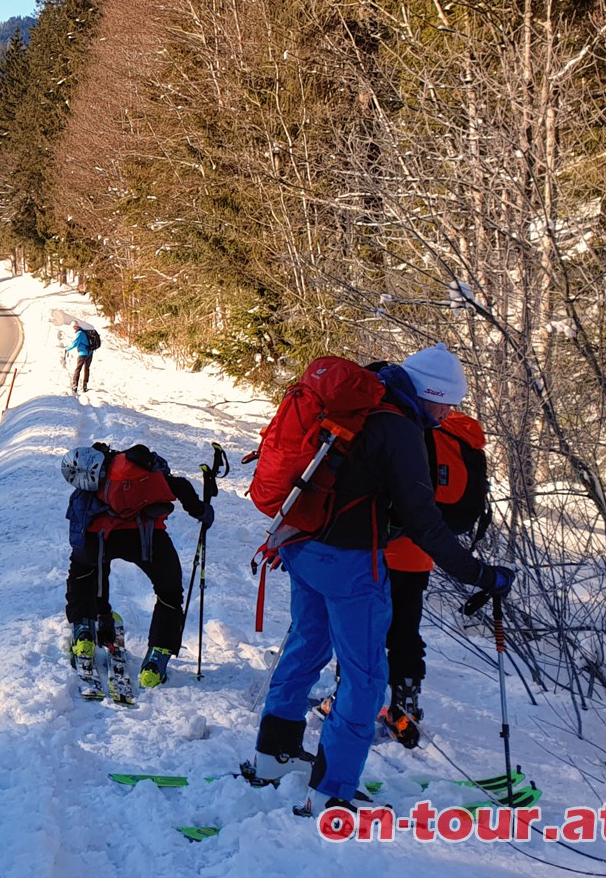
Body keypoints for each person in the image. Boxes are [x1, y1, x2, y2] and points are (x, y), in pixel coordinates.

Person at [251, 344, 513, 815]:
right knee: (367, 678)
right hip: (349, 564)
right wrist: (481, 575)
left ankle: (274, 754)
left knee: (308, 644)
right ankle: (333, 792)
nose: (448, 413)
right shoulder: (399, 427)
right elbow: (425, 523)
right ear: (430, 394)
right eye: (447, 403)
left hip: (299, 541)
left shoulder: (365, 400)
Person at [62, 443, 215, 688]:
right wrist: (201, 511)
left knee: (84, 571)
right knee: (169, 591)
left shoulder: (96, 483)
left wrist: (103, 613)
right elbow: (181, 486)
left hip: (100, 536)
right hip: (147, 538)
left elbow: (100, 571)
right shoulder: (142, 470)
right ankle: (156, 661)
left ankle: (83, 634)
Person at [67, 326, 98, 393]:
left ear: (77, 327)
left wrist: (67, 349)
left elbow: (75, 344)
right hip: (90, 352)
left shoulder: (79, 333)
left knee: (78, 369)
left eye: (74, 326)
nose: (74, 328)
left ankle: (74, 387)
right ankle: (85, 386)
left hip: (83, 353)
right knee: (86, 368)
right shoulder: (86, 332)